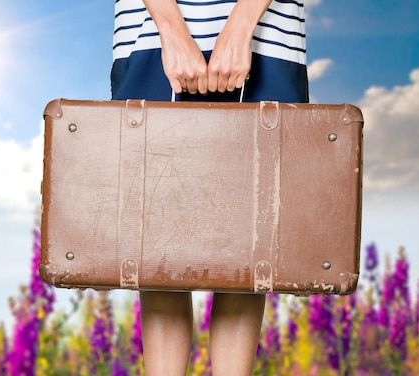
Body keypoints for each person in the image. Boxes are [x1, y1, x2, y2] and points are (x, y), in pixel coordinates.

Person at [110, 1, 309, 375]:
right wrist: (171, 29)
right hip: (150, 36)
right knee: (156, 240)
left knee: (251, 240)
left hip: (267, 35)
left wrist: (242, 22)